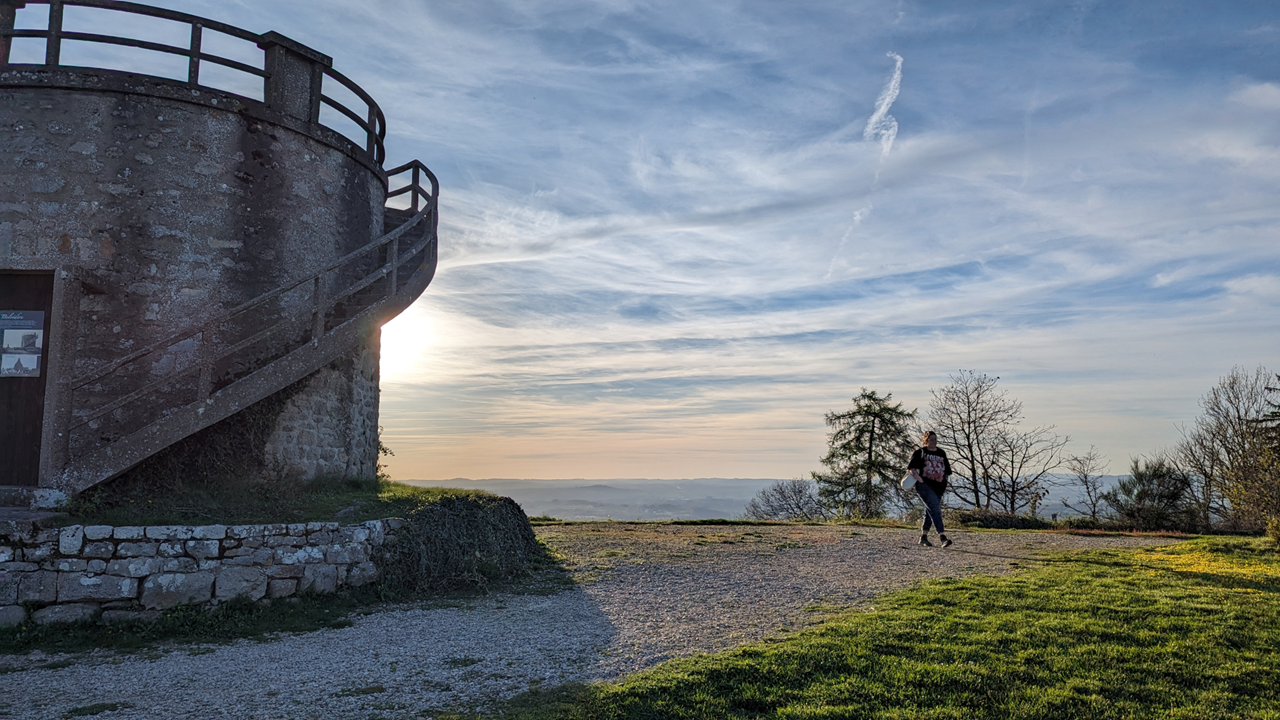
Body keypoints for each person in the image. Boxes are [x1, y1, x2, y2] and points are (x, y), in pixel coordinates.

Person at [907, 430, 952, 547]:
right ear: (926, 440)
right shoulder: (920, 452)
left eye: (935, 440)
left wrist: (945, 481)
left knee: (930, 510)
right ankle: (943, 537)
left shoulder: (941, 453)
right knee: (935, 508)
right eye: (931, 440)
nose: (934, 442)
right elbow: (911, 468)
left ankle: (924, 537)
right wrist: (920, 480)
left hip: (939, 486)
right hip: (924, 486)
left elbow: (947, 470)